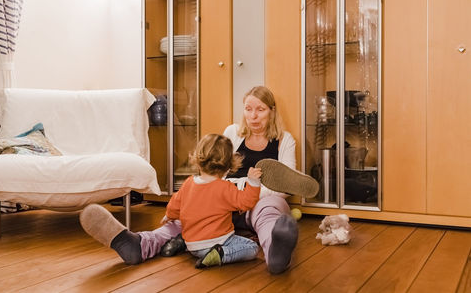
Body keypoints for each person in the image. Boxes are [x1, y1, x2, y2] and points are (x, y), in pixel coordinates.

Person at [79, 86, 318, 274]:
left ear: (272, 111)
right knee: (190, 211)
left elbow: (285, 188)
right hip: (222, 198)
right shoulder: (233, 132)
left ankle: (275, 253)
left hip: (260, 201)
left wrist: (248, 191)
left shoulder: (284, 140)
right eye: (248, 109)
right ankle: (138, 244)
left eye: (260, 110)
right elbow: (216, 172)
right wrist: (209, 196)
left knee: (271, 212)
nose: (253, 116)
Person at [163, 133, 262, 268]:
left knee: (192, 238)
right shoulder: (225, 187)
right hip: (219, 241)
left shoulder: (188, 183)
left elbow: (174, 205)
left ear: (198, 157)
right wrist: (253, 182)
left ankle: (181, 243)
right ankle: (221, 254)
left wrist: (168, 216)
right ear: (228, 164)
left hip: (192, 244)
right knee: (252, 247)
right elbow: (246, 203)